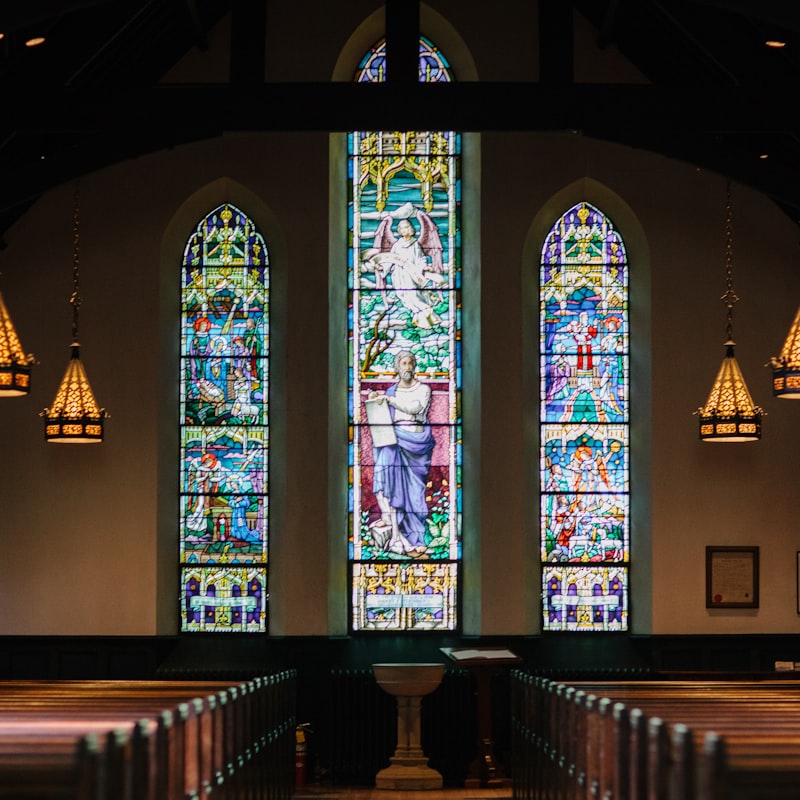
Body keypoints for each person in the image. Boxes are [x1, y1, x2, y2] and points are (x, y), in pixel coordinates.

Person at [368, 350, 435, 556]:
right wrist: (375, 399)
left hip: (416, 444)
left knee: (415, 493)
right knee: (387, 481)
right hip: (393, 440)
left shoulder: (423, 389)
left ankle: (416, 538)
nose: (407, 367)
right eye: (403, 363)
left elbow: (415, 408)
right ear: (397, 367)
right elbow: (382, 412)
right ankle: (395, 530)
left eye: (410, 363)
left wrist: (389, 400)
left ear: (414, 366)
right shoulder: (392, 390)